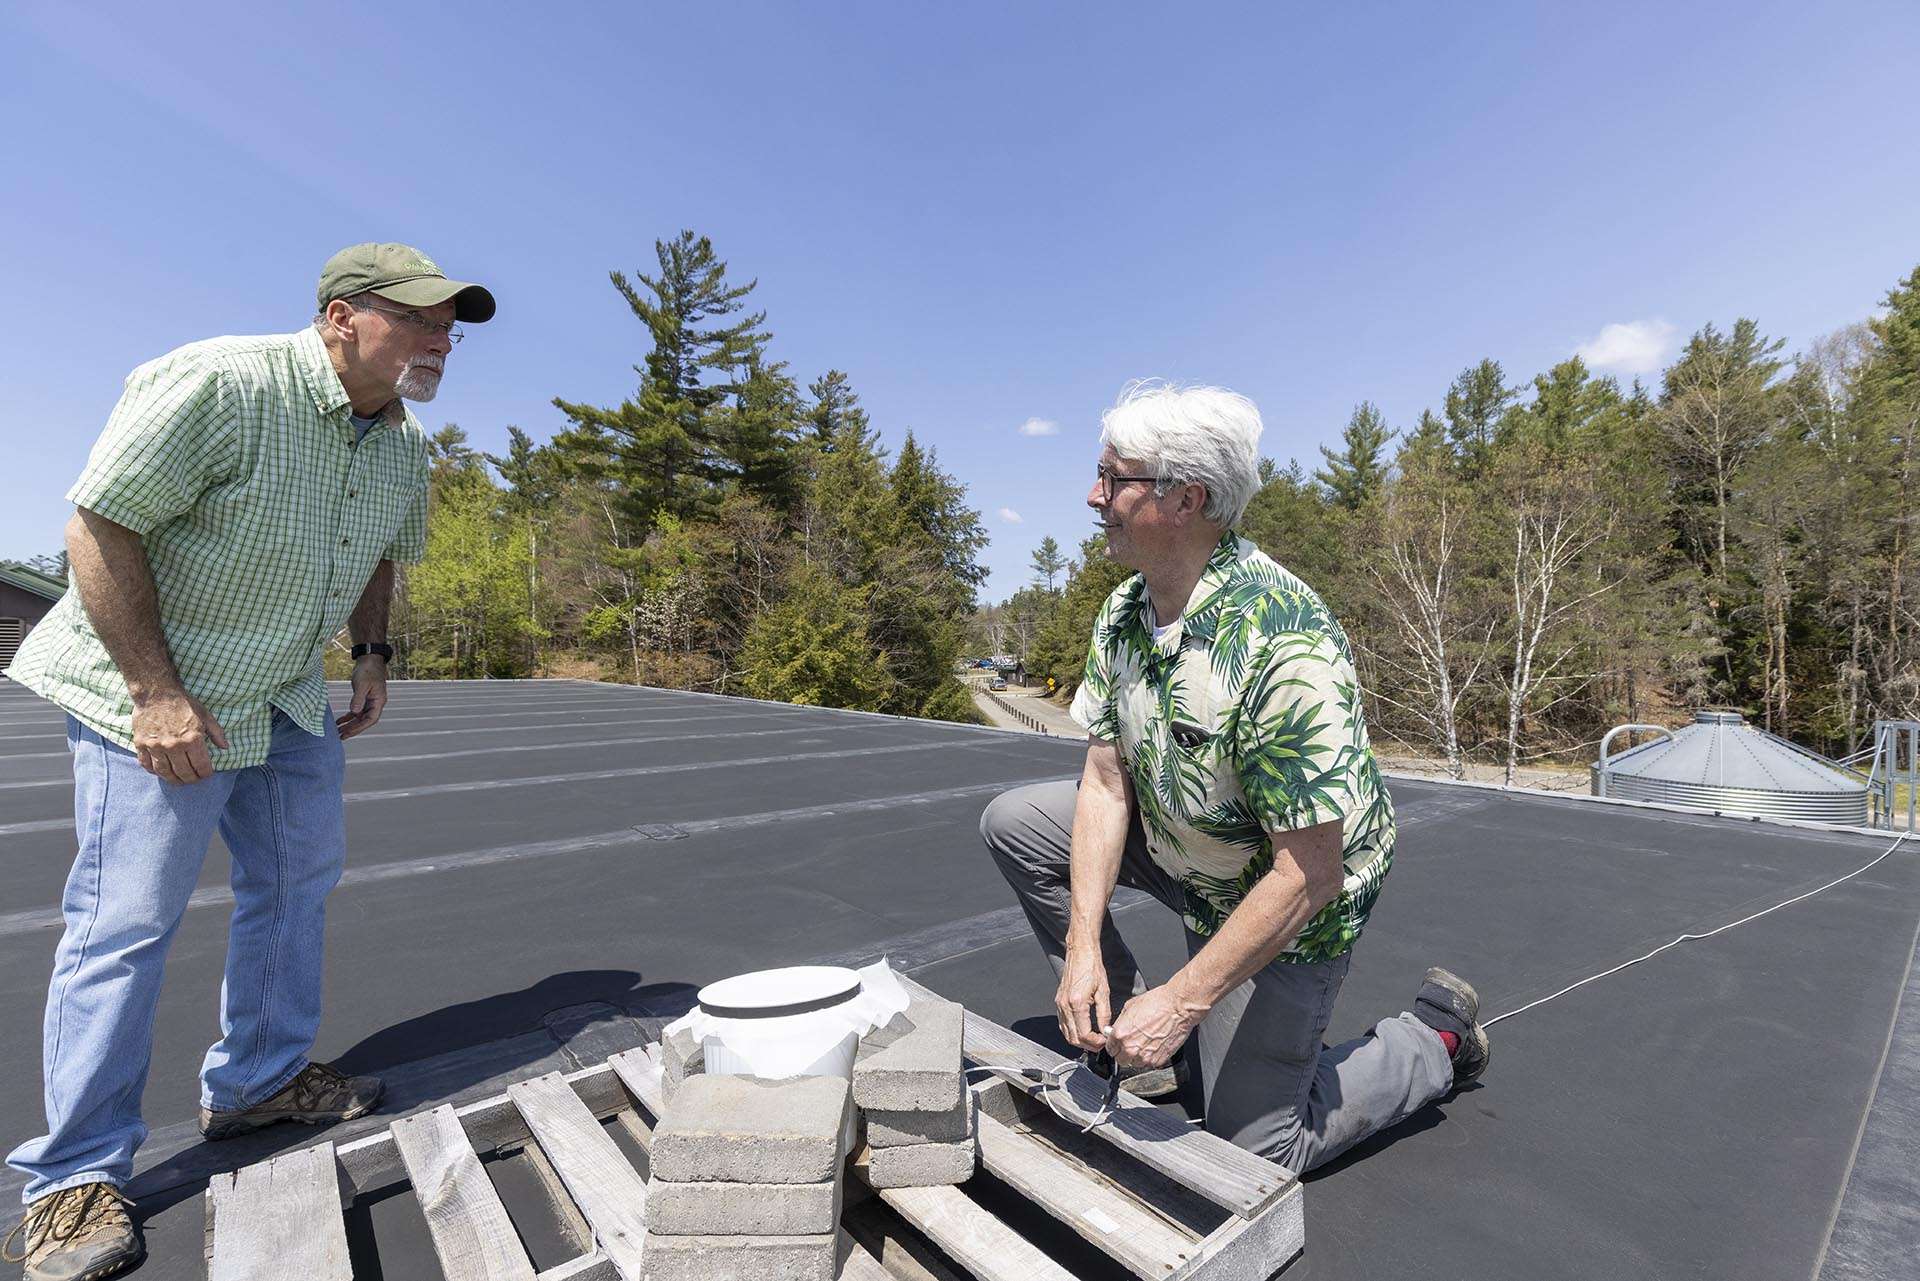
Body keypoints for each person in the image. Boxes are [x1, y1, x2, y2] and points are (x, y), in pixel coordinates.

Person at [1, 244, 495, 1281]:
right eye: (417, 319)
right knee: (126, 922)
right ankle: (72, 1179)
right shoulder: (225, 381)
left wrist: (369, 655)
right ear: (339, 319)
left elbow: (378, 552)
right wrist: (155, 693)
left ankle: (257, 1082)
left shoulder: (404, 447)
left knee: (295, 882)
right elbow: (98, 522)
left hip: (280, 692)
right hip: (161, 692)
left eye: (451, 325)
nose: (440, 339)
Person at [980, 381, 1488, 1176]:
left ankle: (1434, 1039)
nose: (1094, 495)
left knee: (1255, 1148)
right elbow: (1107, 783)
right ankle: (1133, 1034)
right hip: (1192, 847)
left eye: (1115, 478)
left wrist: (1183, 1001)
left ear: (1187, 498)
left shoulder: (1283, 644)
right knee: (1017, 820)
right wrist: (1082, 947)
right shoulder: (1124, 611)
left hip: (1290, 891)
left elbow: (1309, 871)